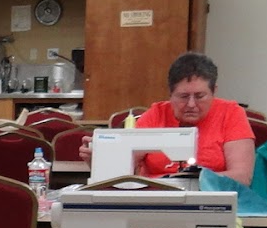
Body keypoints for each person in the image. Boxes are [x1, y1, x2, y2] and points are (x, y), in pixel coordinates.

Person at [80, 52, 255, 184]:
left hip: (214, 201)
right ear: (170, 94)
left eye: (200, 96)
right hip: (156, 201)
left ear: (214, 91)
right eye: (183, 97)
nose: (191, 104)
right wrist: (99, 160)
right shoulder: (156, 115)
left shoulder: (231, 114)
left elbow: (241, 177)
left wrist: (188, 180)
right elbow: (123, 170)